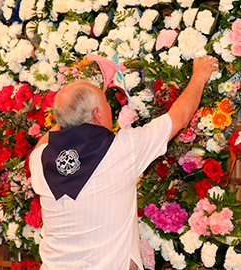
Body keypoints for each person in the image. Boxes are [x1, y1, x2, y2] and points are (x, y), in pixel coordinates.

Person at [29, 55, 219, 270]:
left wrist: (73, 109)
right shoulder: (122, 149)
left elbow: (46, 140)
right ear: (98, 114)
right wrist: (199, 76)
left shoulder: (40, 159)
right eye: (107, 106)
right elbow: (180, 117)